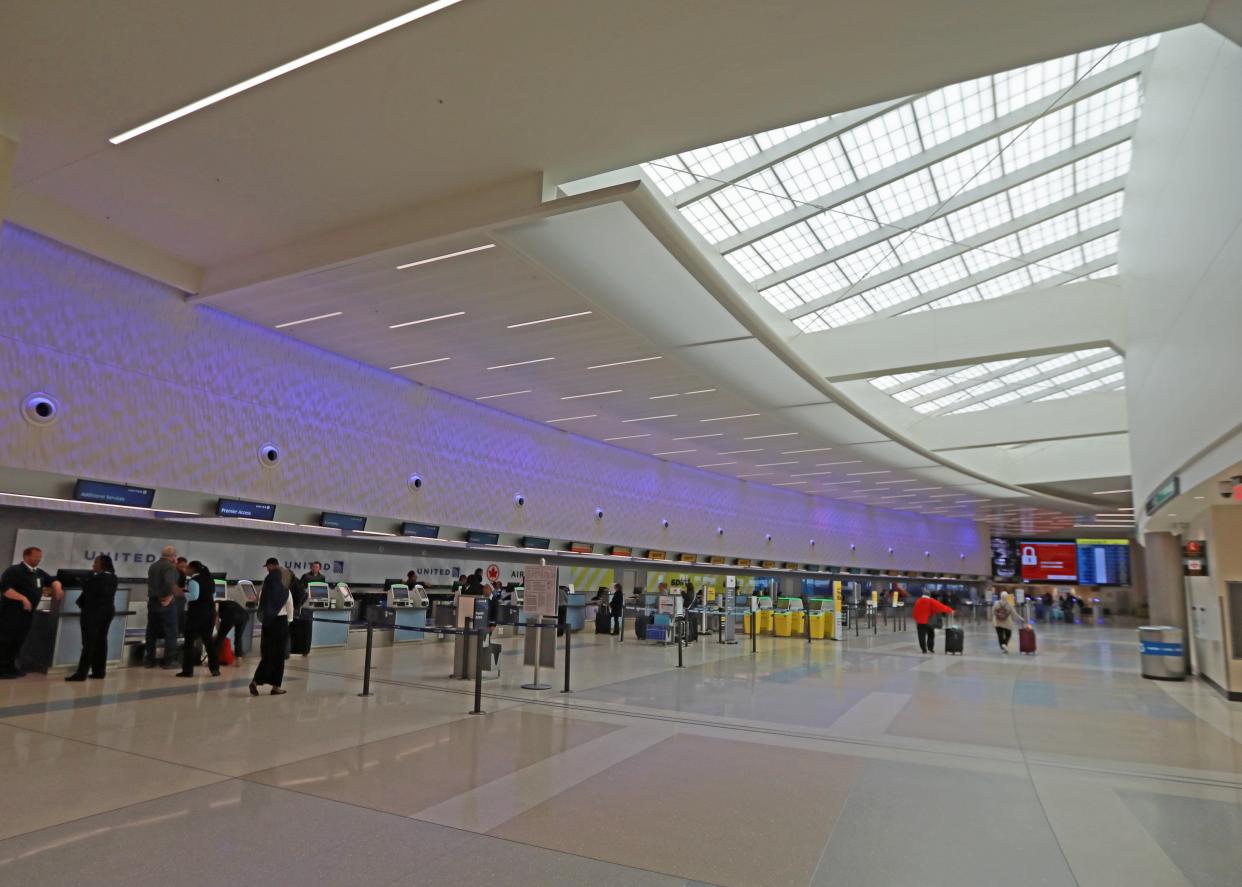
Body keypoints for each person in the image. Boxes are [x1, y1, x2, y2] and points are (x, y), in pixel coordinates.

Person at [0, 546, 64, 678]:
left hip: (27, 614)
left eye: (39, 557)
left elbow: (53, 580)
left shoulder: (38, 573)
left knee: (18, 640)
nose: (38, 559)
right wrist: (22, 598)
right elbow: (5, 589)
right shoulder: (14, 570)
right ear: (26, 557)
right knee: (6, 640)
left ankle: (10, 666)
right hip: (11, 613)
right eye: (35, 556)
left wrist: (57, 588)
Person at [66, 554, 118, 681]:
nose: (93, 565)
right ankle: (99, 671)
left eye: (96, 563)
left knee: (89, 643)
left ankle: (81, 673)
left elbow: (89, 590)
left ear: (102, 565)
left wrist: (86, 579)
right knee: (101, 641)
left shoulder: (97, 578)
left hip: (93, 613)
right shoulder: (113, 577)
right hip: (107, 612)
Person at [250, 558, 291, 696]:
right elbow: (289, 604)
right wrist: (289, 621)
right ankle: (275, 686)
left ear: (273, 566)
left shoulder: (266, 584)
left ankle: (256, 681)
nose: (267, 569)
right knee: (278, 656)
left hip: (268, 622)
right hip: (280, 622)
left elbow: (260, 602)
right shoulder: (284, 585)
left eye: (268, 566)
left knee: (267, 654)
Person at [178, 561, 220, 677]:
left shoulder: (194, 581)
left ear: (192, 569)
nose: (186, 570)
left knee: (189, 642)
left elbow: (194, 596)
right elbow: (213, 596)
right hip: (209, 614)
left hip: (196, 615)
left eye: (187, 568)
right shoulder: (209, 579)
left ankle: (188, 670)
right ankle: (215, 668)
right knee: (208, 641)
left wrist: (182, 593)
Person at [144, 545, 182, 668]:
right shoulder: (169, 567)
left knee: (151, 631)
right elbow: (169, 582)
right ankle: (169, 661)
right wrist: (170, 596)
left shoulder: (153, 566)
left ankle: (149, 659)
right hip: (165, 602)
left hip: (152, 601)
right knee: (171, 631)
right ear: (173, 557)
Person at [912, 590, 953, 654]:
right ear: (929, 595)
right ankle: (930, 648)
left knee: (921, 636)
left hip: (920, 622)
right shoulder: (931, 601)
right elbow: (940, 607)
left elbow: (914, 612)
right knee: (931, 635)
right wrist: (950, 610)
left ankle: (924, 649)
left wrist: (916, 618)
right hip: (929, 622)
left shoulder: (918, 601)